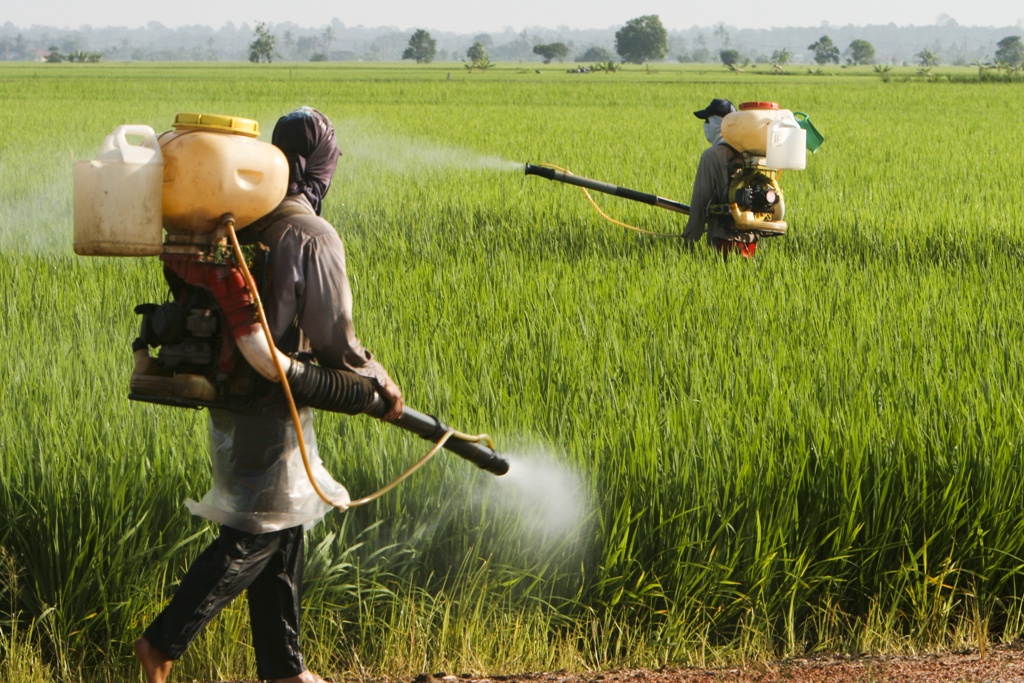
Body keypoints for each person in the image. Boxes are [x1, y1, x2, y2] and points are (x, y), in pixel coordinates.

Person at [134, 106, 404, 683]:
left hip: (230, 391)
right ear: (321, 164)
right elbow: (337, 344)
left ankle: (285, 670)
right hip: (269, 392)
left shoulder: (237, 218)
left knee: (282, 521)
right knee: (257, 532)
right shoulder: (309, 233)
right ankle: (162, 642)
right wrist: (376, 383)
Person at [683, 98, 758, 259]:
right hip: (751, 238)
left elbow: (701, 198)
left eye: (707, 121)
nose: (705, 126)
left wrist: (690, 238)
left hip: (723, 238)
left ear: (718, 123)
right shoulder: (751, 152)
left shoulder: (711, 156)